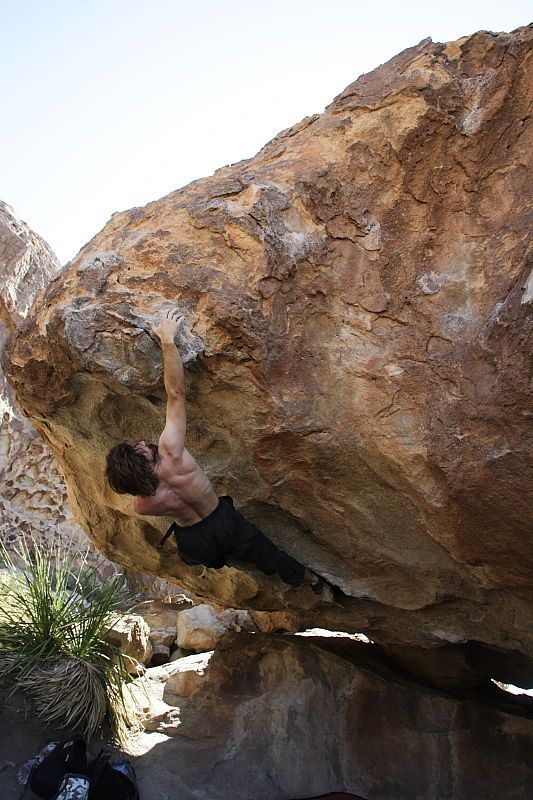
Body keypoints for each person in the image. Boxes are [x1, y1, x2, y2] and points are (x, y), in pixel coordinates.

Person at [105, 309, 330, 597]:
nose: (141, 442)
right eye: (138, 448)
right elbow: (176, 394)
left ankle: (216, 561)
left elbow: (143, 494)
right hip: (224, 523)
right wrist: (167, 342)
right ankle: (310, 582)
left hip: (196, 542)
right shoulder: (171, 453)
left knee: (195, 554)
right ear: (144, 458)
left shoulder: (143, 505)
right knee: (269, 557)